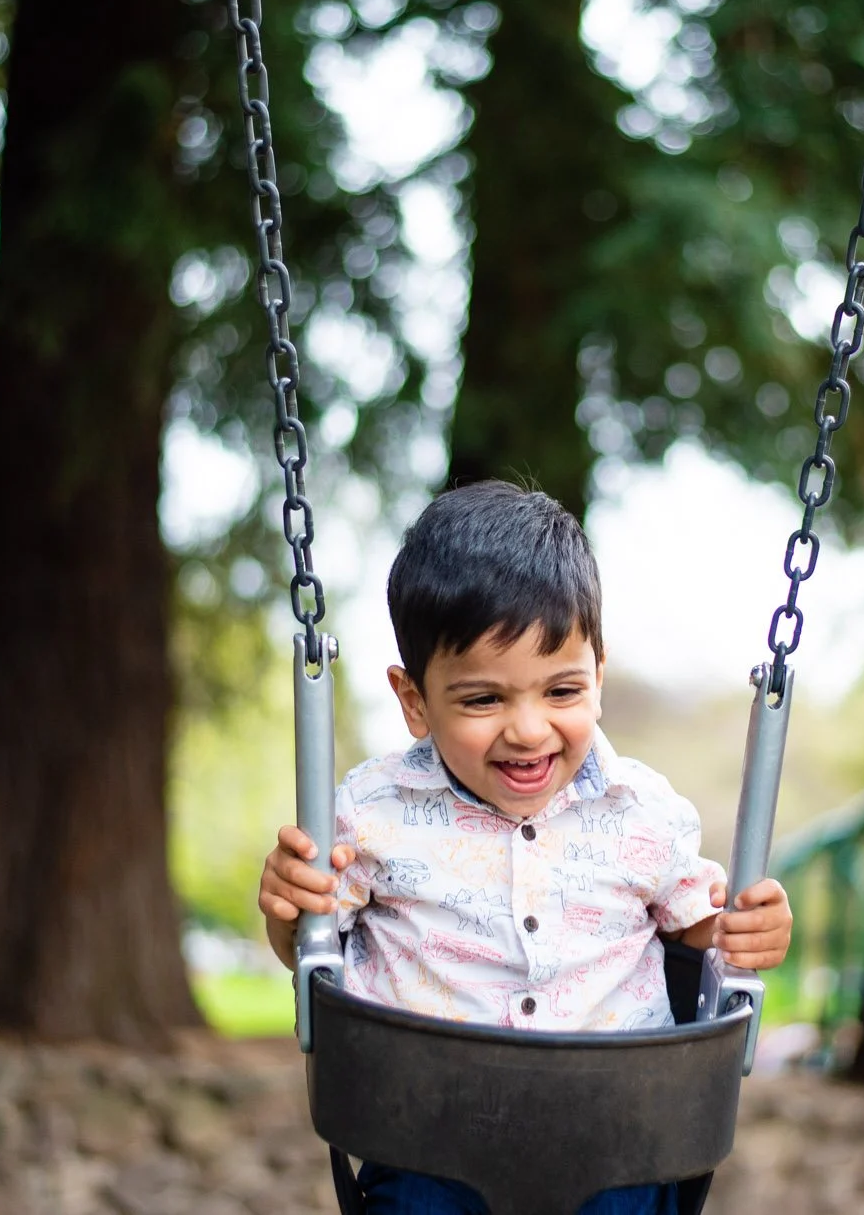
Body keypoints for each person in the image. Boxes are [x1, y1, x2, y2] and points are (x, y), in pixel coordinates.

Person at [258, 480, 795, 1215]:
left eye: (562, 691)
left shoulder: (645, 811)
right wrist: (290, 907)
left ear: (599, 673)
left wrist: (749, 928)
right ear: (414, 699)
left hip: (617, 1135)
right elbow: (312, 942)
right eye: (483, 699)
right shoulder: (370, 811)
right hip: (427, 1131)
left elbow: (701, 929)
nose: (529, 730)